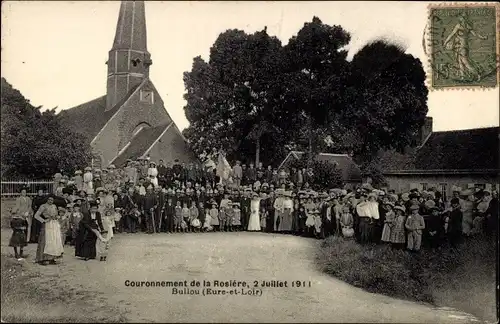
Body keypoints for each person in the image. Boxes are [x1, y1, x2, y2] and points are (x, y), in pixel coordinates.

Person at [33, 195, 64, 265]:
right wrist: (43, 220)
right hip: (47, 225)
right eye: (49, 199)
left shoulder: (54, 206)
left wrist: (57, 217)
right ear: (47, 199)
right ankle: (42, 258)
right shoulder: (43, 206)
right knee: (45, 240)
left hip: (54, 224)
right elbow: (36, 215)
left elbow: (56, 215)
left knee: (54, 241)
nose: (51, 201)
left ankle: (52, 258)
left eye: (52, 200)